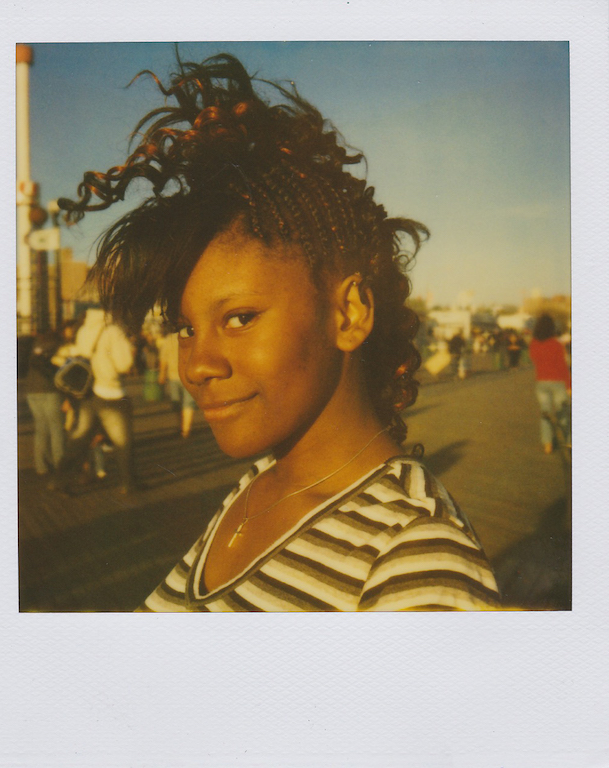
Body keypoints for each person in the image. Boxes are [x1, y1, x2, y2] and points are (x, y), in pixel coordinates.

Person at [59, 53, 499, 611]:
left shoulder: (413, 563)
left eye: (239, 318)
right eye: (185, 328)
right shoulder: (263, 480)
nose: (195, 365)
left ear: (349, 314)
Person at [52, 308, 136, 493]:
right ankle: (127, 484)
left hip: (88, 392)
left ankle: (60, 479)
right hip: (111, 392)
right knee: (122, 442)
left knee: (79, 439)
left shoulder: (84, 329)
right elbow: (124, 363)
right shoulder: (114, 331)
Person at [24, 331, 66, 476]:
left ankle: (40, 466)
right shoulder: (58, 346)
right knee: (56, 429)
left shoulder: (37, 345)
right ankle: (59, 465)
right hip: (49, 390)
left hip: (32, 391)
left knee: (40, 429)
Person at [529, 314, 571, 454]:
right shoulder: (556, 344)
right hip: (558, 381)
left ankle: (547, 444)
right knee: (562, 413)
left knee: (545, 413)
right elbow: (562, 366)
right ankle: (568, 441)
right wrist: (569, 385)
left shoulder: (534, 343)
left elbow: (534, 359)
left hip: (541, 382)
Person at [158, 329, 198, 438]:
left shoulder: (168, 340)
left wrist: (162, 374)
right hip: (188, 376)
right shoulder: (191, 337)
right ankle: (186, 430)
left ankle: (181, 426)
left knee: (177, 403)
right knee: (188, 403)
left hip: (173, 376)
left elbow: (163, 359)